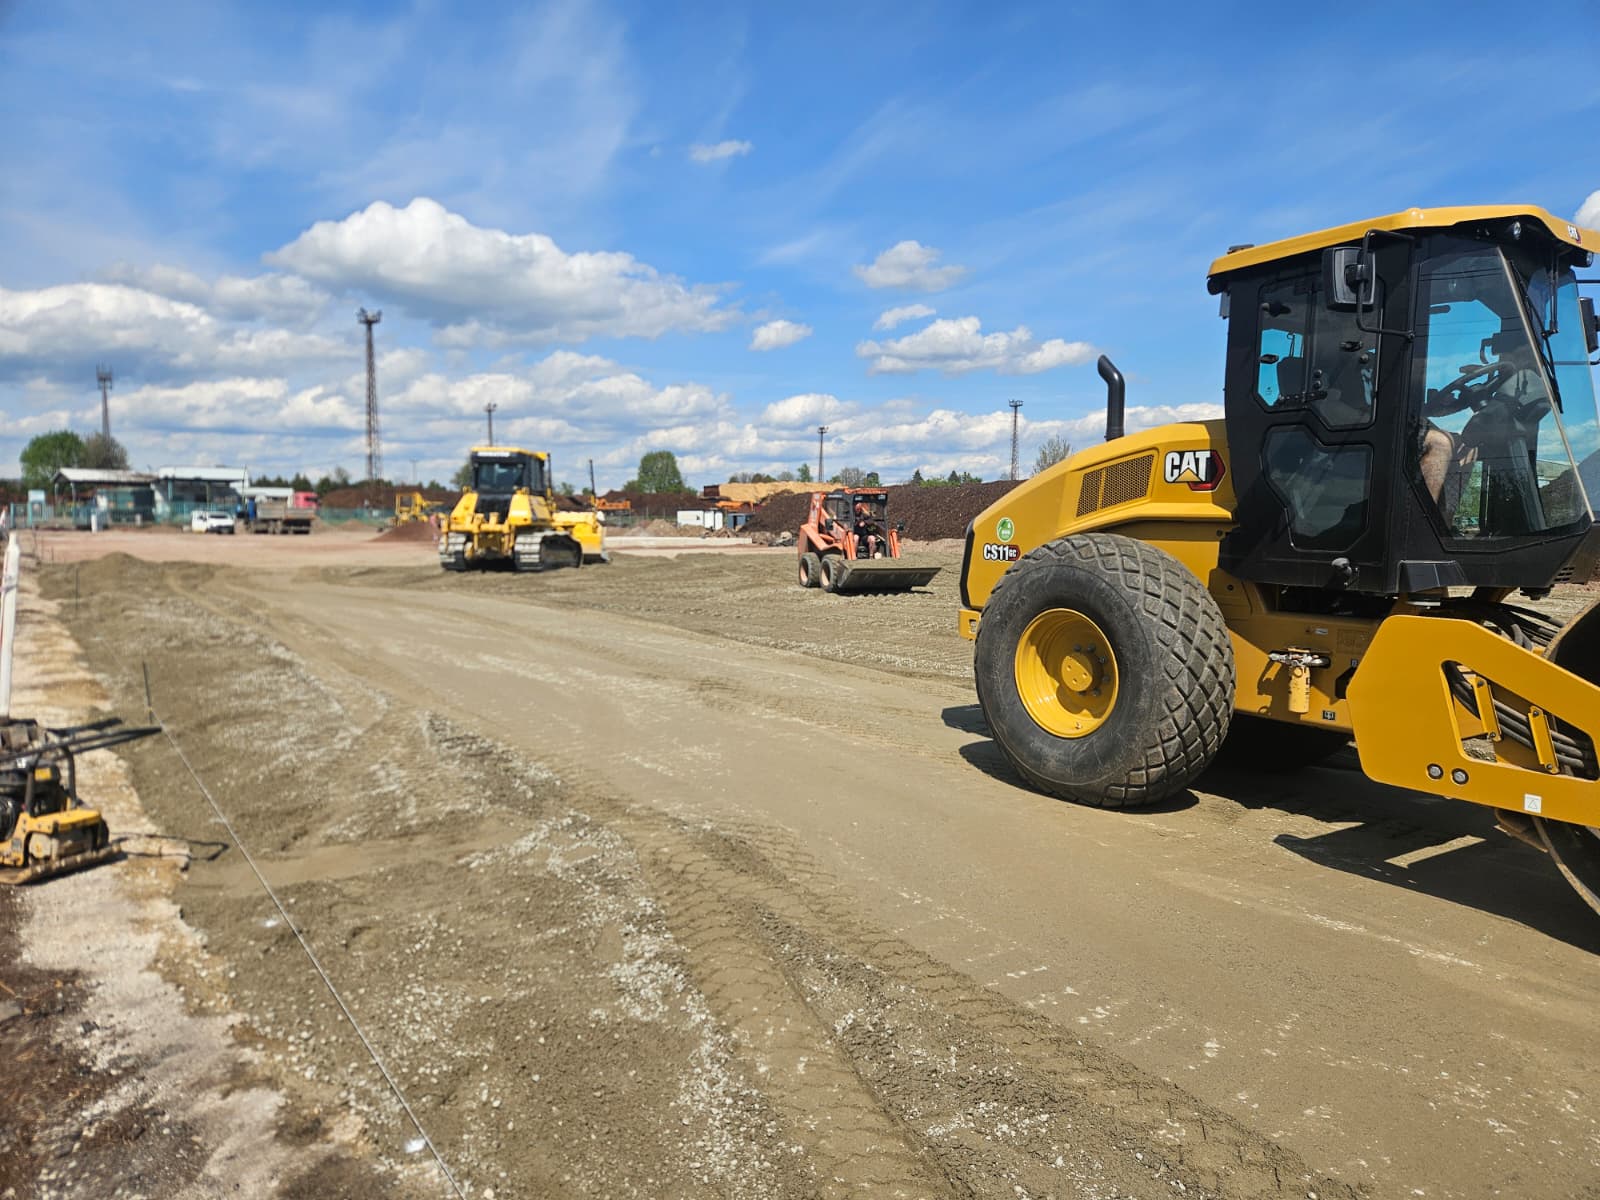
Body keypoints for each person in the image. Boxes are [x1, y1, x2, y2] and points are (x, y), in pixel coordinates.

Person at [1420, 329, 1546, 522]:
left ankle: (1443, 520)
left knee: (1466, 447)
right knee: (1441, 443)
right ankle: (1420, 522)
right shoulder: (1375, 366)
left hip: (1408, 423)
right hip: (1385, 426)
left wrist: (1442, 402)